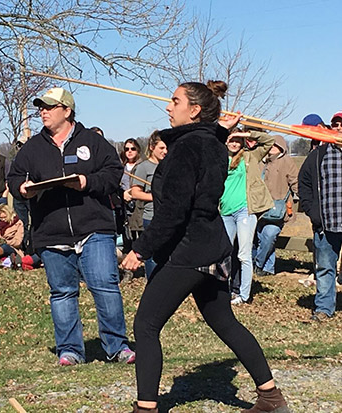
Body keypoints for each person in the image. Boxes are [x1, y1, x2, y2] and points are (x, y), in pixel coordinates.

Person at [122, 81, 289, 413]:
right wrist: (216, 129)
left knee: (146, 324)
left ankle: (146, 409)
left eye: (175, 101)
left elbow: (173, 212)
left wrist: (140, 250)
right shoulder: (211, 143)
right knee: (225, 322)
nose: (168, 107)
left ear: (194, 109)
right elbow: (205, 152)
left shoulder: (188, 147)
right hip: (212, 245)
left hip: (190, 249)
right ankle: (271, 398)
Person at [7, 87, 135, 366]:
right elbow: (14, 177)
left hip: (94, 229)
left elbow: (113, 174)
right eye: (41, 107)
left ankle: (117, 346)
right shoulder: (32, 148)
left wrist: (87, 183)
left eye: (50, 107)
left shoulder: (93, 141)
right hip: (51, 232)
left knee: (105, 286)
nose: (43, 111)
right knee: (62, 292)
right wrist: (22, 189)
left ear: (67, 111)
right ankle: (70, 350)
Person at [298, 110, 342, 321]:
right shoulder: (318, 155)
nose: (339, 128)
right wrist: (313, 212)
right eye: (335, 125)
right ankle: (324, 309)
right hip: (326, 224)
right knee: (324, 268)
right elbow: (303, 183)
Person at [220, 129, 274, 304]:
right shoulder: (220, 158)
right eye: (232, 140)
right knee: (224, 253)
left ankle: (244, 295)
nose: (234, 144)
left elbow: (269, 141)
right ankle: (224, 291)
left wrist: (247, 135)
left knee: (243, 254)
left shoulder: (250, 157)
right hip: (225, 211)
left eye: (238, 140)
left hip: (245, 210)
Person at [254, 135, 299, 276]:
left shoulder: (286, 162)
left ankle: (258, 264)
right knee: (261, 237)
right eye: (270, 145)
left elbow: (295, 181)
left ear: (282, 147)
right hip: (258, 207)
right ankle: (268, 268)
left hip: (277, 208)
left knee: (269, 235)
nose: (273, 147)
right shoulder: (260, 161)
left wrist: (302, 197)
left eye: (276, 145)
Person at [130, 131, 167, 278]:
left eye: (167, 148)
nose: (165, 152)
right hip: (151, 217)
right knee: (152, 255)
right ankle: (152, 282)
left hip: (167, 217)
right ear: (152, 147)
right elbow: (135, 193)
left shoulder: (169, 166)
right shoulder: (144, 167)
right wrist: (155, 197)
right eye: (162, 148)